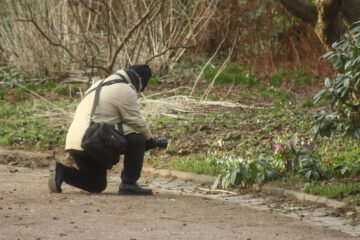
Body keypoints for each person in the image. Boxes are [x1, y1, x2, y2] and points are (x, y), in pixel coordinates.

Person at [48, 64, 162, 195]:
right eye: (142, 88)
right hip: (93, 141)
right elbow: (135, 121)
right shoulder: (124, 89)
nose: (139, 91)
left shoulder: (97, 85)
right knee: (137, 139)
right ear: (140, 80)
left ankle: (62, 171)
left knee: (96, 184)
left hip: (75, 142)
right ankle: (128, 184)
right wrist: (151, 140)